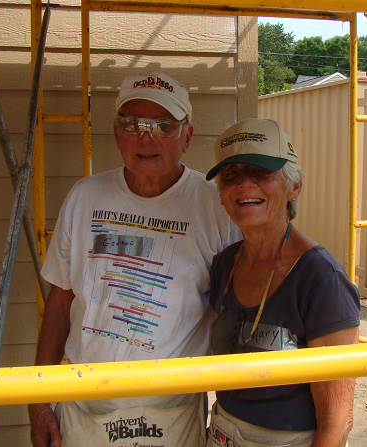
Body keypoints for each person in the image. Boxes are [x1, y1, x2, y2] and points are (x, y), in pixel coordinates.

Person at [28, 72, 240, 447]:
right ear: (116, 133)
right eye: (133, 124)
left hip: (171, 415)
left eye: (163, 125)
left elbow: (238, 312)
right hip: (83, 409)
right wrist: (38, 401)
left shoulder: (216, 208)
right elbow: (59, 305)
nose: (146, 137)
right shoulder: (84, 197)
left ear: (187, 137)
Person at [205, 118, 361, 447]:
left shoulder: (321, 280)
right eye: (231, 174)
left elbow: (337, 422)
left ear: (294, 187)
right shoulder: (225, 265)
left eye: (262, 172)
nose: (245, 184)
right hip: (221, 431)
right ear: (221, 194)